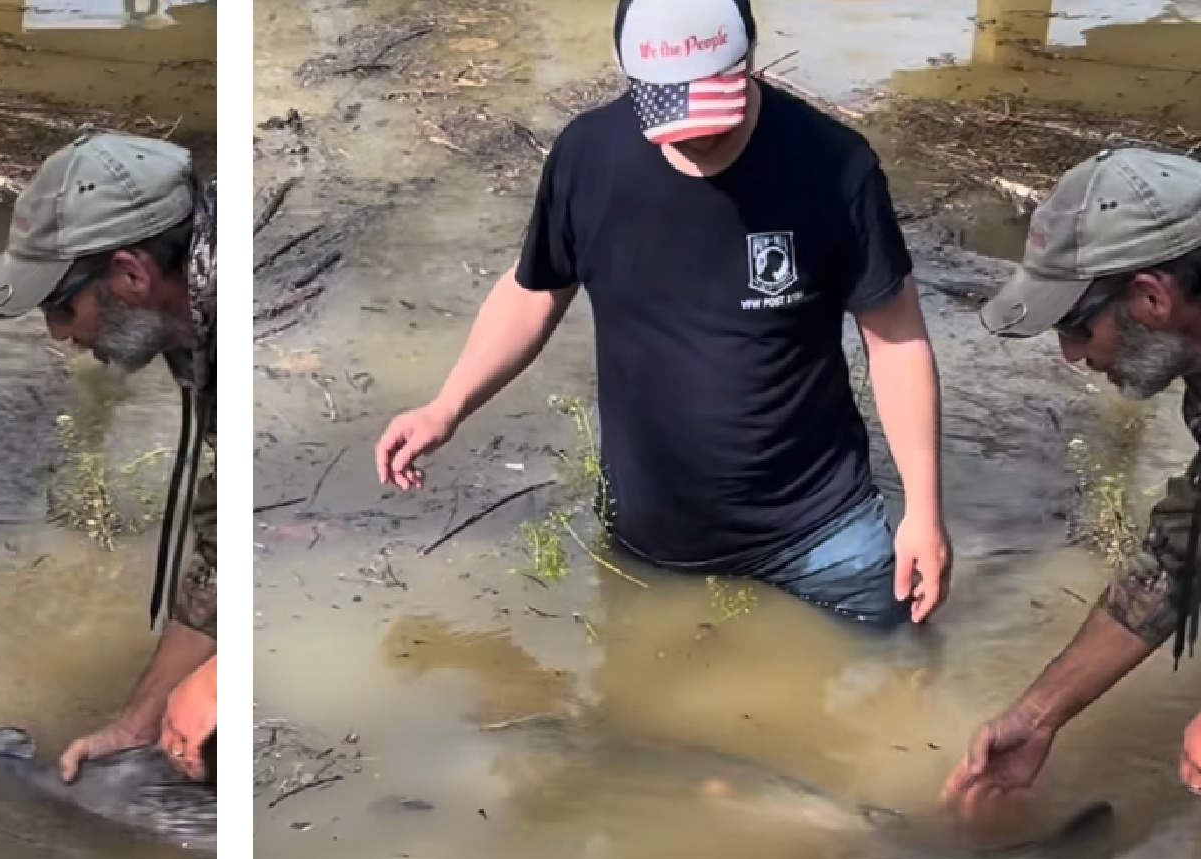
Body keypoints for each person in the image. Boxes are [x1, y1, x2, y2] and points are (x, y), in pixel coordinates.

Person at [372, 0, 951, 627]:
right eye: (675, 112)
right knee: (632, 715)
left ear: (750, 58)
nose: (698, 133)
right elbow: (535, 290)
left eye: (713, 107)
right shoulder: (587, 158)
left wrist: (923, 511)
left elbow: (895, 339)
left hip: (821, 529)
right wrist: (446, 406)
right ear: (632, 77)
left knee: (898, 684)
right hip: (650, 533)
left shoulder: (835, 166)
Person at [943, 147, 1201, 812]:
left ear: (1151, 296)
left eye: (1076, 327)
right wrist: (1038, 715)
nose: (1071, 355)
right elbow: (1189, 550)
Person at [0, 132, 217, 783]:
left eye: (60, 306)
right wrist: (138, 723)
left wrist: (224, 676)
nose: (60, 335)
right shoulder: (185, 316)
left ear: (132, 274)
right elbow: (226, 559)